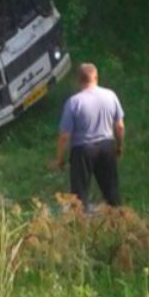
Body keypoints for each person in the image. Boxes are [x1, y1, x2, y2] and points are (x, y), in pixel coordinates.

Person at [49, 63, 126, 208]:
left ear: (78, 80)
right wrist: (119, 146)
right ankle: (119, 220)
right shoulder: (110, 95)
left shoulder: (74, 102)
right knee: (111, 191)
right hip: (106, 146)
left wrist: (59, 159)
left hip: (82, 150)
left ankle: (81, 224)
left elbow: (64, 136)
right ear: (96, 77)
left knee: (79, 195)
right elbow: (120, 126)